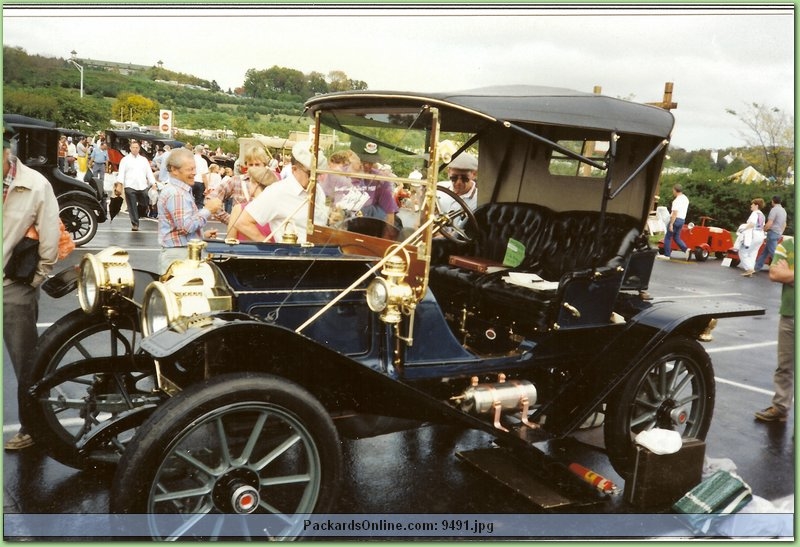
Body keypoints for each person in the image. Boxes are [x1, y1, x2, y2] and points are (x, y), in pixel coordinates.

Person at [3, 135, 61, 450]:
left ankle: (32, 428)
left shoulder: (34, 184)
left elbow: (50, 234)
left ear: (6, 151)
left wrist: (37, 277)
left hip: (12, 287)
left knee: (25, 363)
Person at [234, 141, 328, 243]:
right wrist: (269, 247)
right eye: (310, 174)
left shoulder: (319, 191)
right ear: (294, 169)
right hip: (292, 256)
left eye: (318, 174)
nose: (315, 179)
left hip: (321, 253)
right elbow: (242, 222)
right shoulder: (278, 191)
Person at [157, 147, 223, 274]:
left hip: (179, 252)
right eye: (190, 169)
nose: (194, 173)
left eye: (194, 168)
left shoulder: (179, 191)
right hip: (180, 256)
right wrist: (208, 209)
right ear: (174, 170)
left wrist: (200, 236)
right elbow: (186, 226)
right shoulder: (177, 194)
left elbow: (179, 229)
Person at [754, 236, 794, 422]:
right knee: (784, 366)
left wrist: (791, 273)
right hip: (790, 314)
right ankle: (780, 407)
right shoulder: (787, 245)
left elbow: (783, 274)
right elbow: (774, 274)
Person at [207, 145, 270, 225]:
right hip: (239, 234)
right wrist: (231, 220)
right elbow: (210, 199)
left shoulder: (272, 183)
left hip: (264, 233)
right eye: (251, 165)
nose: (254, 168)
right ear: (246, 165)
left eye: (257, 165)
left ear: (264, 165)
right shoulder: (237, 181)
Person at [348, 140, 399, 228]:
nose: (367, 165)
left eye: (371, 162)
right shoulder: (339, 176)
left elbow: (389, 214)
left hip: (367, 228)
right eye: (363, 161)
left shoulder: (380, 180)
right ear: (350, 156)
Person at [225, 166, 276, 241]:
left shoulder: (239, 209)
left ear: (255, 184)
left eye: (250, 182)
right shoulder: (278, 208)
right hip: (273, 251)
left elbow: (230, 241)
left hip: (243, 251)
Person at [117, 140, 156, 231]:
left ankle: (138, 213)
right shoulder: (125, 160)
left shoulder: (143, 160)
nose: (135, 149)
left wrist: (153, 183)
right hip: (129, 185)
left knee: (145, 202)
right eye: (133, 147)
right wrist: (120, 183)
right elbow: (121, 173)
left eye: (137, 148)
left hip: (142, 185)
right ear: (130, 148)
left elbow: (149, 173)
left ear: (139, 148)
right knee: (132, 205)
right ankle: (135, 223)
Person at [437, 153, 479, 227]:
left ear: (474, 174)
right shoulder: (439, 190)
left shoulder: (478, 200)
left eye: (464, 178)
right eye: (454, 178)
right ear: (449, 172)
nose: (458, 182)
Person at [754, 195, 787, 273]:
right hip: (778, 233)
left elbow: (770, 223)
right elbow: (784, 224)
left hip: (772, 233)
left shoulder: (774, 210)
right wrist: (780, 233)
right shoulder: (783, 211)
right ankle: (756, 268)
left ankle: (783, 270)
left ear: (773, 201)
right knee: (765, 252)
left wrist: (764, 229)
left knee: (774, 253)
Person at [657, 183, 689, 260]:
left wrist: (671, 224)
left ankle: (667, 255)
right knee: (676, 237)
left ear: (675, 190)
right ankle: (686, 250)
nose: (673, 192)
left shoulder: (676, 201)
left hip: (675, 219)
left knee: (668, 237)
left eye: (673, 190)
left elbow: (675, 213)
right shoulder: (685, 198)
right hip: (682, 220)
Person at [737, 198, 766, 277]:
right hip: (761, 235)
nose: (751, 206)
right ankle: (750, 270)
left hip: (753, 234)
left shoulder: (754, 213)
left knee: (742, 251)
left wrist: (743, 229)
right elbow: (763, 226)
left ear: (756, 205)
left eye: (752, 204)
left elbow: (752, 224)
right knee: (753, 253)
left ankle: (749, 269)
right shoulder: (762, 215)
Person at [192, 144, 209, 209]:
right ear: (202, 151)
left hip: (191, 181)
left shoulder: (191, 159)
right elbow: (204, 175)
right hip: (200, 182)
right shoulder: (203, 161)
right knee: (199, 202)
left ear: (195, 150)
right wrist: (207, 187)